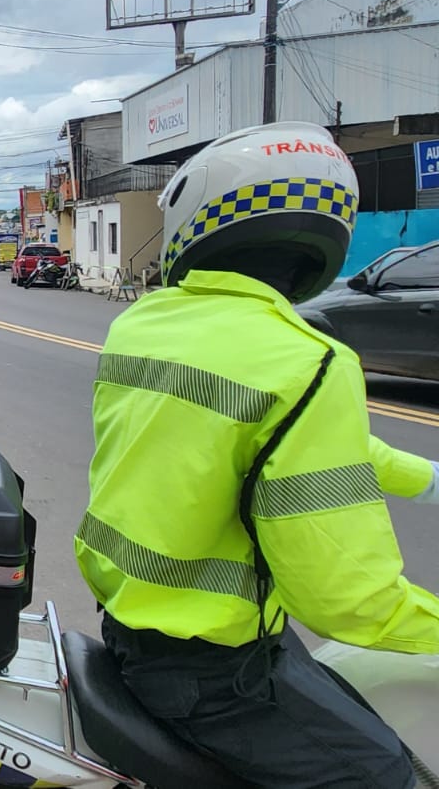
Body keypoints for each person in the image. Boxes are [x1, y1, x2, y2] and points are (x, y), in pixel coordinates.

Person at [76, 122, 439, 789]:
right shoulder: (309, 363)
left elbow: (300, 444)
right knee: (385, 774)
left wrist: (427, 480)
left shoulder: (142, 323)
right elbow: (348, 600)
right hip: (213, 671)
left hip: (136, 625)